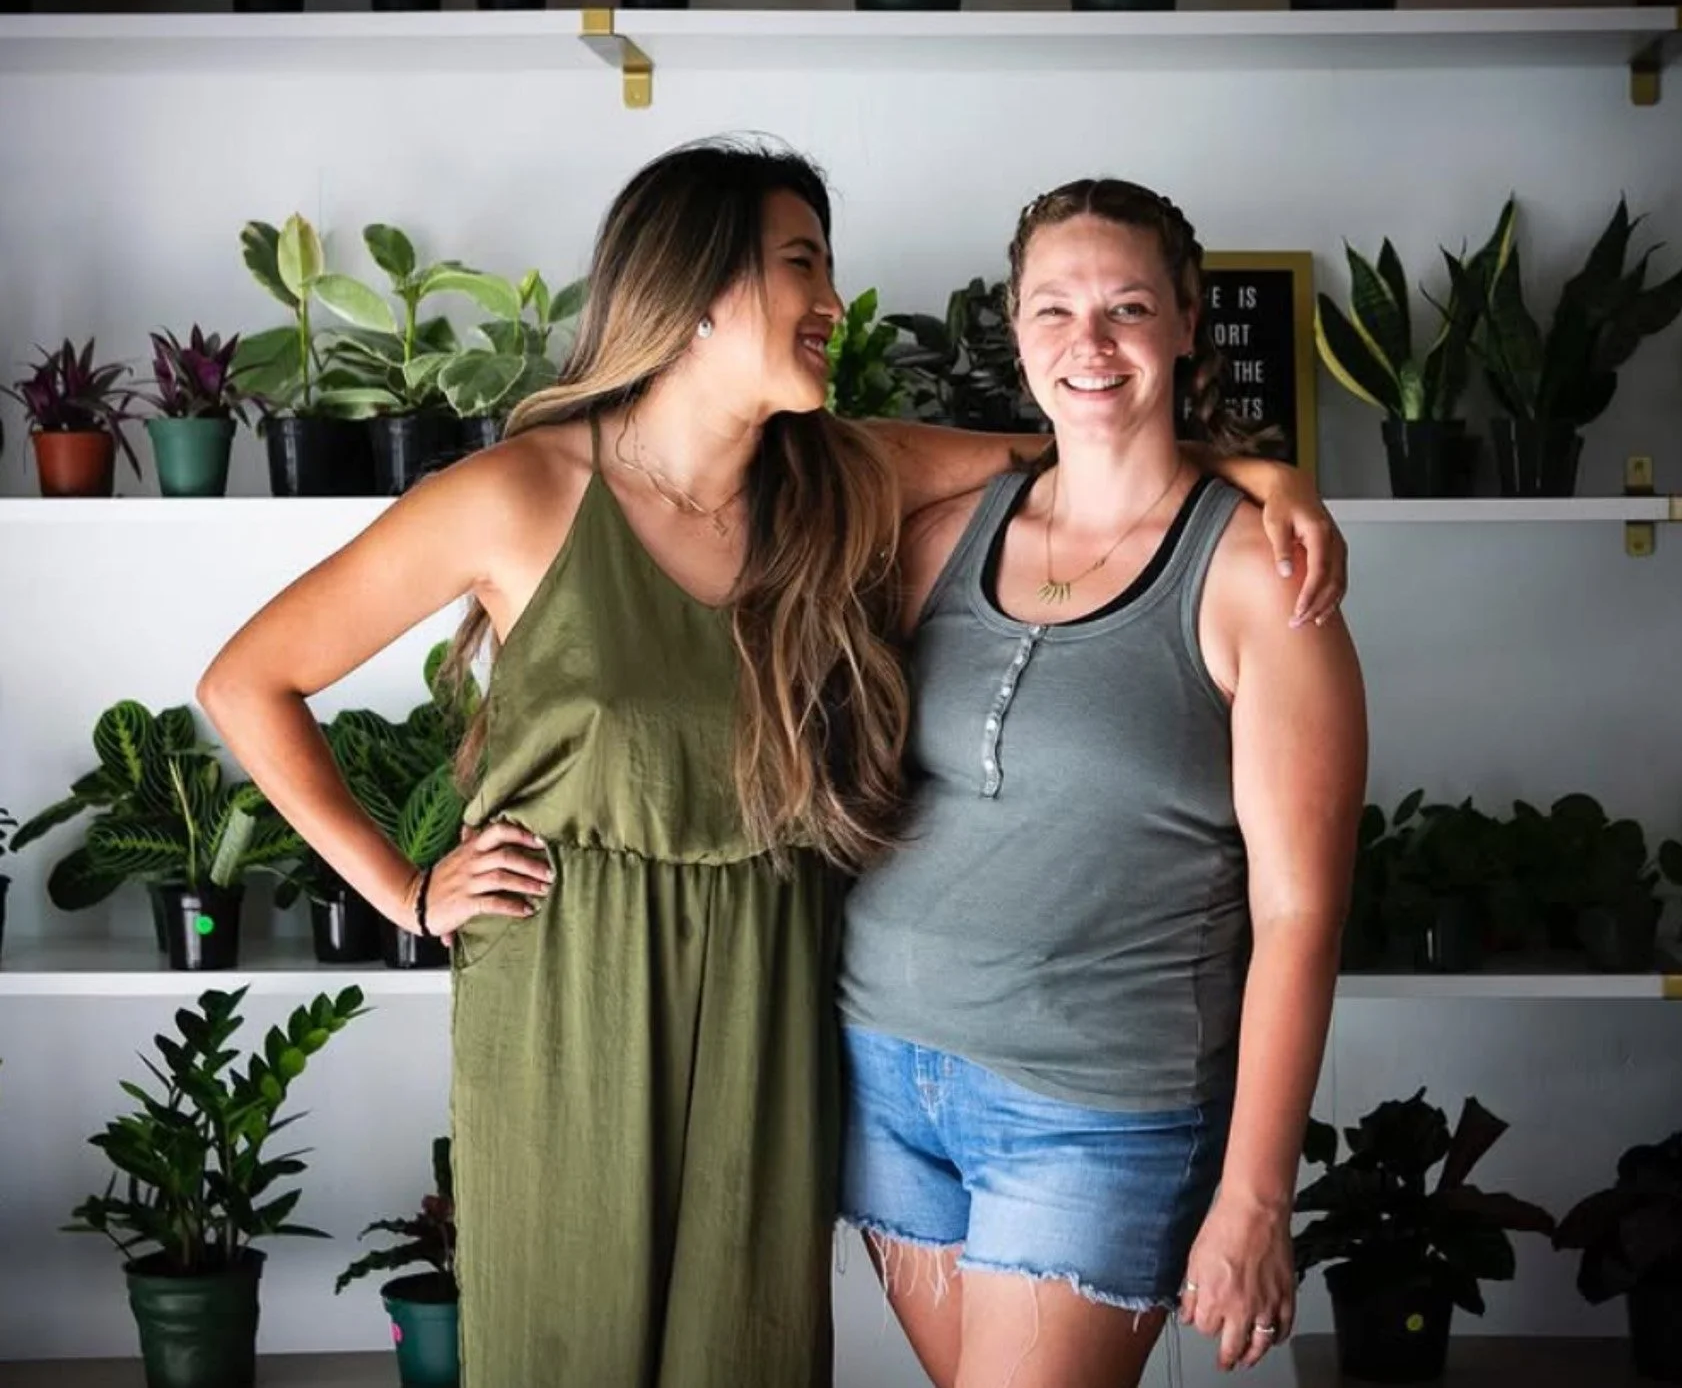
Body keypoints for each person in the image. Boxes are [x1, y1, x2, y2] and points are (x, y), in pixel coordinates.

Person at [196, 139, 1346, 1388]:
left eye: (825, 265)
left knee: (741, 1349)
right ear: (697, 289)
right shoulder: (517, 494)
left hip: (781, 978)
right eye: (803, 263)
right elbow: (247, 681)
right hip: (571, 988)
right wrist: (404, 890)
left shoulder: (839, 477)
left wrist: (1262, 473)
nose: (835, 301)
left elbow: (1085, 459)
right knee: (561, 1342)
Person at [836, 176, 1370, 1388]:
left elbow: (1300, 916)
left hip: (1095, 1111)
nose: (1088, 342)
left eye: (1126, 308)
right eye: (1052, 310)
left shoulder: (1257, 577)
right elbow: (800, 454)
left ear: (1187, 322)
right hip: (884, 1081)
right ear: (1014, 332)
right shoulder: (941, 534)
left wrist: (1253, 1198)